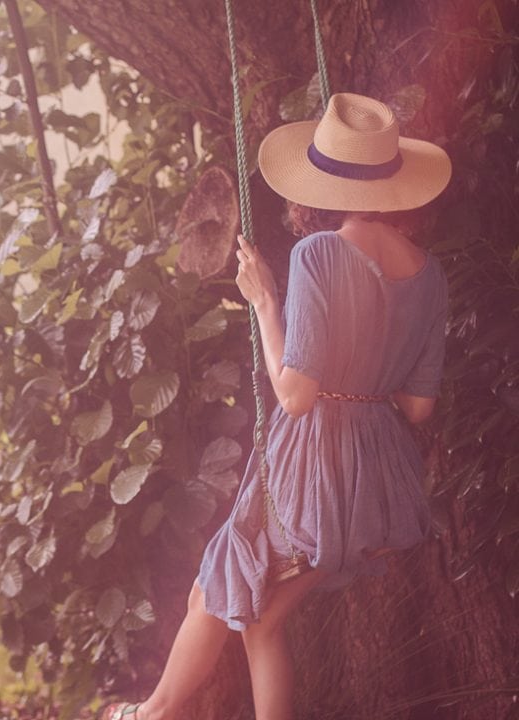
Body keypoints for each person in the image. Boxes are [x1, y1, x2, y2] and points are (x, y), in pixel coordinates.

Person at [99, 92, 452, 720]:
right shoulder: (430, 275)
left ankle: (150, 714)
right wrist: (372, 364)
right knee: (255, 618)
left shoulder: (317, 254)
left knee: (222, 575)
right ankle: (152, 713)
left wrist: (265, 302)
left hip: (316, 470)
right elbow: (420, 407)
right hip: (380, 483)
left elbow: (295, 395)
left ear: (326, 181)